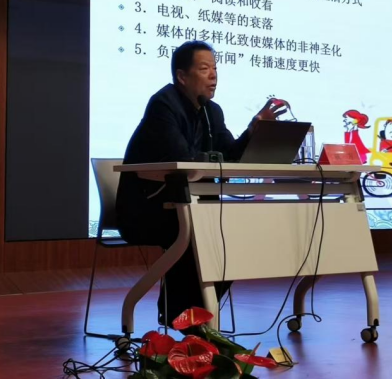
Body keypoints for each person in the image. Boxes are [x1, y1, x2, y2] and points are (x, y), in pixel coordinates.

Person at [116, 40, 286, 326]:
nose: (213, 75)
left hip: (187, 208)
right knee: (201, 232)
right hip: (146, 209)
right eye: (205, 68)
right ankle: (179, 314)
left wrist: (253, 130)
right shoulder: (163, 105)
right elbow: (180, 157)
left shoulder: (212, 111)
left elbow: (230, 156)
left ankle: (189, 315)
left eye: (215, 68)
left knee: (234, 235)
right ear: (182, 76)